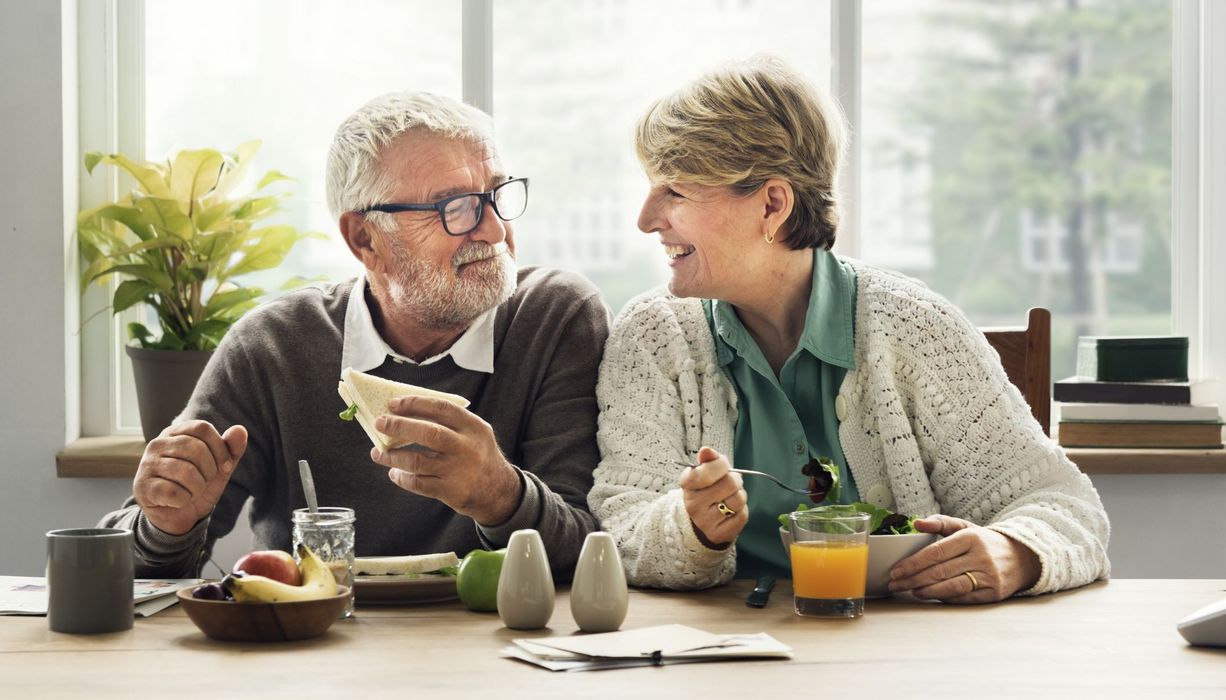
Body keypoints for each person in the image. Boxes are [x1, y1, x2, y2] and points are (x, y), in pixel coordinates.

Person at [589, 56, 1110, 602]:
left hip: (900, 658)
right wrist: (690, 528)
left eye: (674, 191)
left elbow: (1063, 504)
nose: (646, 219)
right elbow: (619, 525)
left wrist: (1017, 550)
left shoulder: (917, 328)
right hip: (714, 658)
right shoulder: (652, 336)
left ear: (772, 203)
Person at [100, 91, 610, 579]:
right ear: (365, 238)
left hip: (497, 648)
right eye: (455, 207)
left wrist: (499, 494)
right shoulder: (273, 347)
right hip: (311, 646)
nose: (496, 231)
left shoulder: (555, 317)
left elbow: (593, 555)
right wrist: (165, 524)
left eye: (496, 195)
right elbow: (129, 572)